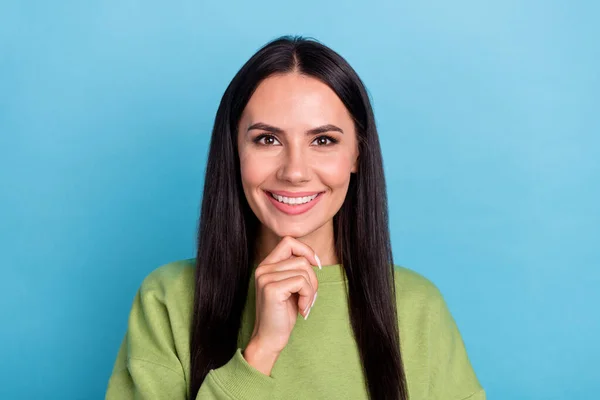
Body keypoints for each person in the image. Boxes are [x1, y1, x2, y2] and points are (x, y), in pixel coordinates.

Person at [105, 35, 485, 400]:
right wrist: (261, 351)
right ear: (235, 151)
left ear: (357, 154)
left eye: (323, 140)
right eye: (267, 139)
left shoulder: (419, 308)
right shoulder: (167, 300)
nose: (295, 171)